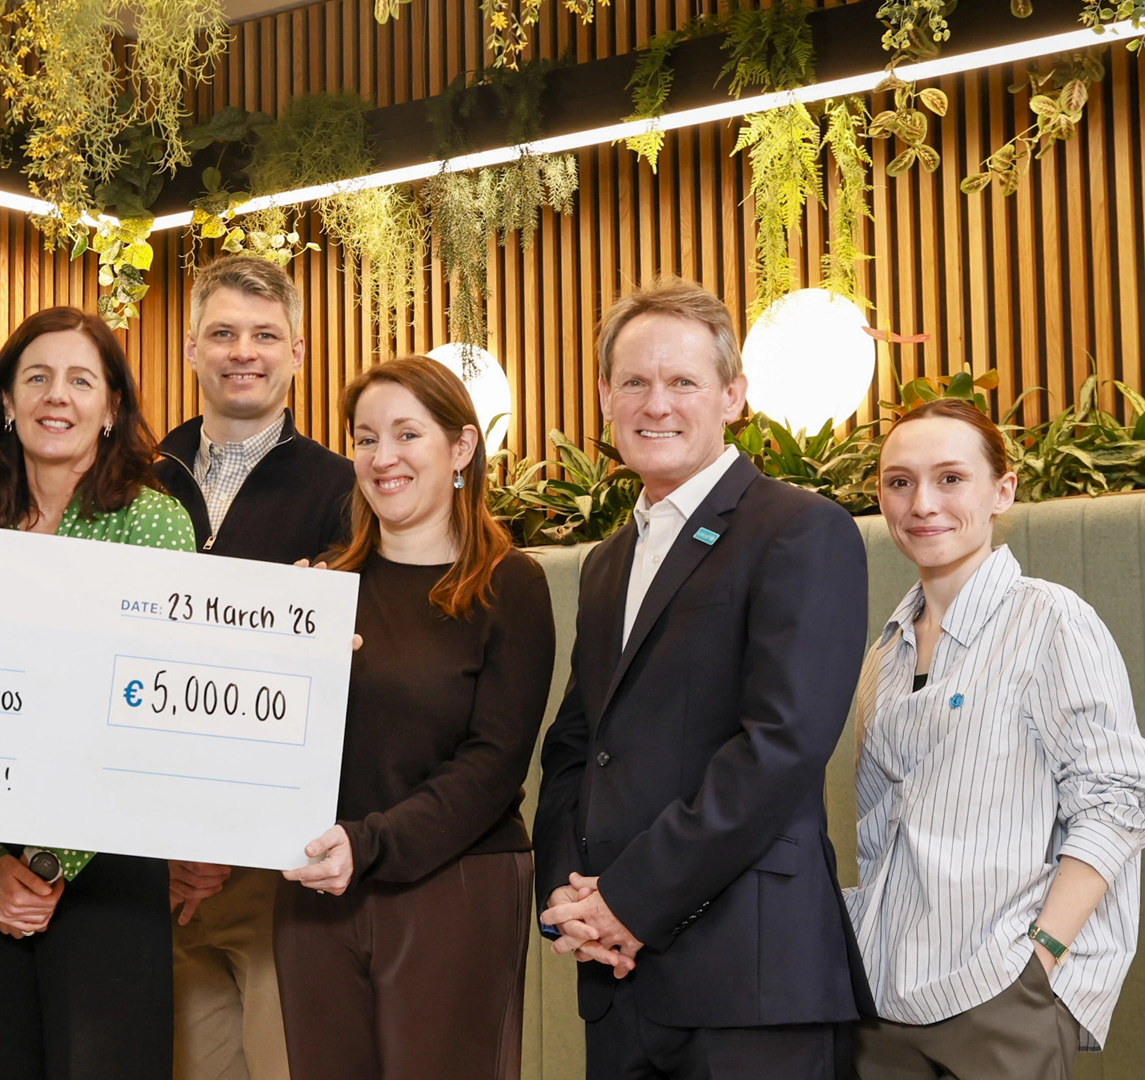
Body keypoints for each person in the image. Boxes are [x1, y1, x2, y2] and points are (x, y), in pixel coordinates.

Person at [532, 278, 870, 1079]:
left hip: (749, 982)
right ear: (605, 398)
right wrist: (568, 899)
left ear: (733, 396)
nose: (657, 404)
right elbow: (579, 745)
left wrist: (630, 901)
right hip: (617, 978)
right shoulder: (607, 562)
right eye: (635, 382)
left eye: (683, 381)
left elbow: (780, 749)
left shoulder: (800, 530)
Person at [274, 355, 555, 1080]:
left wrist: (368, 843)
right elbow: (274, 745)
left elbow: (493, 766)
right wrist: (282, 656)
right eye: (366, 439)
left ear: (461, 447)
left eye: (407, 434)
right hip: (317, 888)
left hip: (453, 887)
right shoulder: (321, 589)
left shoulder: (510, 584)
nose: (383, 458)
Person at [846, 398, 1145, 1078]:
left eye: (951, 478)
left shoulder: (1050, 619)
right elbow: (880, 831)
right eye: (900, 482)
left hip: (1002, 990)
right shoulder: (881, 655)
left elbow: (1118, 801)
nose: (923, 503)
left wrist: (1040, 958)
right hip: (881, 997)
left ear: (1002, 491)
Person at [0, 305, 195, 1080]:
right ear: (7, 402)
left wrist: (48, 867)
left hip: (108, 874)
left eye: (81, 381)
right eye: (38, 378)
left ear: (112, 407)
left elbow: (149, 716)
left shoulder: (155, 525)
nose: (58, 396)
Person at [150, 255, 354, 1080]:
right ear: (191, 349)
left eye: (266, 335)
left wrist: (230, 839)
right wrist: (168, 842)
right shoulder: (134, 482)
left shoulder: (347, 491)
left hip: (279, 872)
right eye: (224, 333)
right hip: (152, 864)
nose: (244, 352)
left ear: (297, 352)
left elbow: (338, 692)